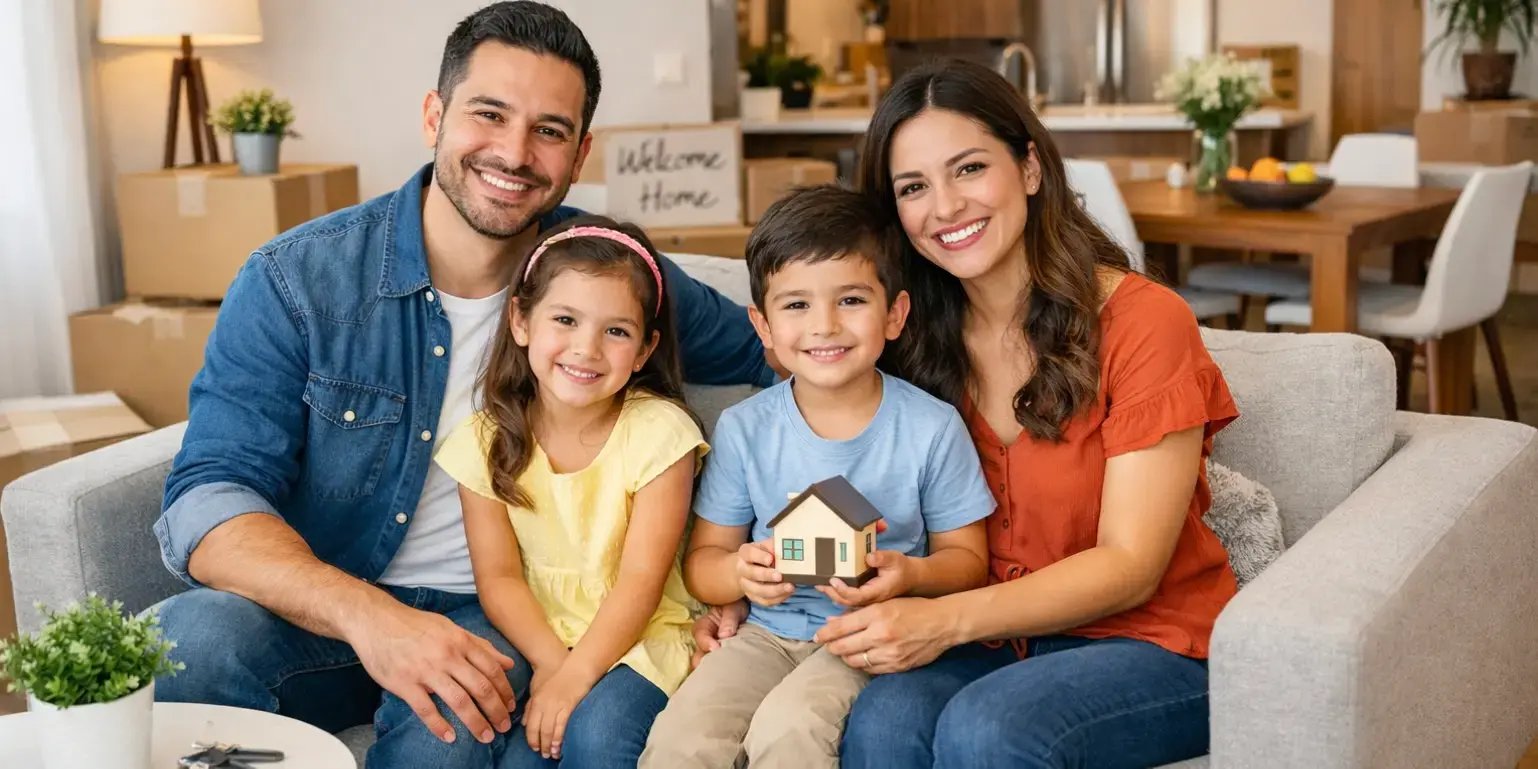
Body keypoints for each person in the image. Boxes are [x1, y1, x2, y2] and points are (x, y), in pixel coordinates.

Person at [151, 2, 772, 765]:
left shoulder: (607, 276)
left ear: (579, 156)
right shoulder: (298, 279)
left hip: (496, 616)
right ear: (434, 116)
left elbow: (791, 351)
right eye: (489, 114)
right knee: (187, 641)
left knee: (445, 733)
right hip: (326, 606)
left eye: (548, 129)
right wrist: (369, 616)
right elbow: (208, 497)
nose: (514, 152)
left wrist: (740, 565)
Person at [695, 59, 1242, 768]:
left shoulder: (1144, 322)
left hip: (1147, 642)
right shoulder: (901, 334)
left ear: (1031, 167)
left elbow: (1131, 565)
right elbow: (792, 368)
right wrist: (737, 594)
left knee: (990, 729)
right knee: (880, 725)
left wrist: (941, 619)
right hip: (984, 640)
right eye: (913, 187)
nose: (946, 206)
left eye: (969, 169)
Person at [641, 185, 995, 769]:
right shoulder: (745, 429)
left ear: (895, 314)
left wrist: (909, 573)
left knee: (792, 732)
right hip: (763, 636)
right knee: (681, 738)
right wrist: (739, 573)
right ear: (763, 326)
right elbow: (703, 565)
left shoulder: (932, 428)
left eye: (851, 300)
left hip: (868, 635)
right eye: (797, 305)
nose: (824, 326)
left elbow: (968, 560)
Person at [403, 216, 706, 768]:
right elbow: (497, 578)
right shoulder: (484, 442)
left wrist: (576, 676)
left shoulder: (662, 434)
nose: (586, 349)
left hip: (638, 641)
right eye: (565, 319)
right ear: (520, 320)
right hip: (539, 639)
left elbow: (642, 581)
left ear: (644, 349)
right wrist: (550, 667)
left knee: (597, 735)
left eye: (616, 331)